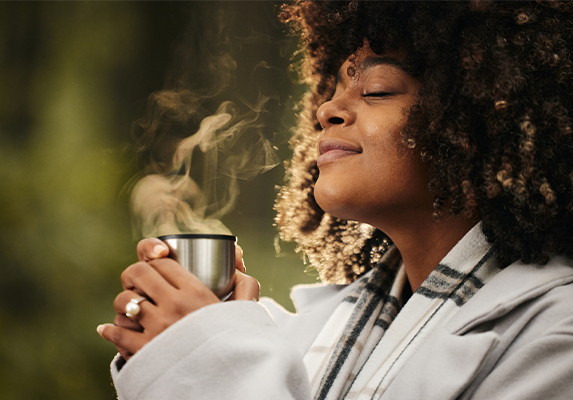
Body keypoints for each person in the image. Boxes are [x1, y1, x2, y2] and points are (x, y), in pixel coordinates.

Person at [97, 1, 573, 399]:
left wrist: (211, 358)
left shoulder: (557, 338)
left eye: (377, 90)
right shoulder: (313, 332)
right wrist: (201, 334)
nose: (327, 109)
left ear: (483, 116)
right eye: (333, 89)